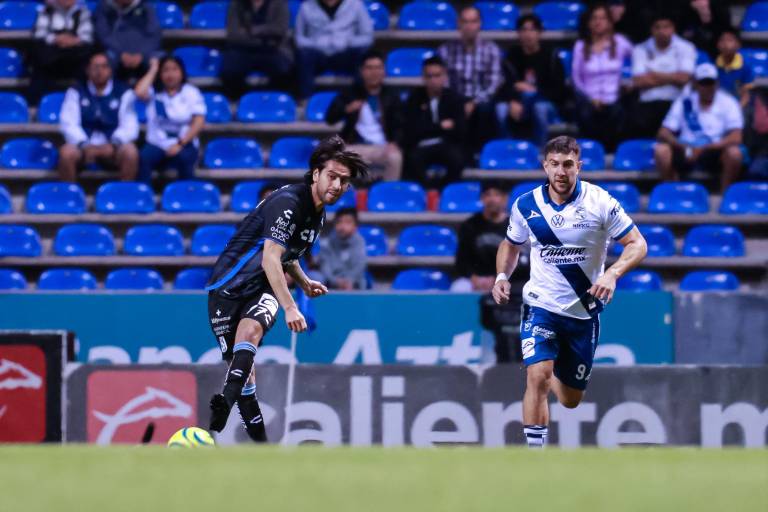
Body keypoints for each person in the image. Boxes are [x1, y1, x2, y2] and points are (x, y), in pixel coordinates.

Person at [205, 135, 368, 440]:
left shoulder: (317, 213)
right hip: (225, 287)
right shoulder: (290, 203)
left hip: (262, 286)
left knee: (251, 333)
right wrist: (291, 307)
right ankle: (255, 438)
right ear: (316, 174)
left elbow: (286, 257)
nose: (337, 185)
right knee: (245, 377)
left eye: (344, 181)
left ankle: (224, 409)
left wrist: (304, 283)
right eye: (332, 176)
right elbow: (271, 258)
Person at [492, 136, 647, 448]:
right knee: (537, 376)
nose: (561, 172)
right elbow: (510, 244)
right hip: (541, 306)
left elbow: (638, 244)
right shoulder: (526, 205)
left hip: (582, 312)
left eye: (568, 165)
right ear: (545, 166)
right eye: (554, 165)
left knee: (571, 399)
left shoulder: (600, 202)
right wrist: (501, 276)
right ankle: (536, 458)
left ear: (579, 166)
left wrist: (613, 273)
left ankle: (557, 372)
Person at [654, 63, 744, 193]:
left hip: (714, 149)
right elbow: (663, 132)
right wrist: (681, 145)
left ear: (717, 83)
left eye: (710, 82)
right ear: (696, 84)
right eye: (703, 83)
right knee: (661, 150)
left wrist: (703, 148)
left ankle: (725, 195)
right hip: (685, 148)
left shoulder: (728, 102)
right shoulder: (684, 102)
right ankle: (672, 192)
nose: (707, 87)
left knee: (734, 153)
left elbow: (736, 137)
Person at [58, 51, 139, 182]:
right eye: (95, 67)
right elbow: (68, 123)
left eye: (104, 66)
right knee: (66, 153)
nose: (99, 71)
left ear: (110, 70)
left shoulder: (124, 92)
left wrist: (113, 144)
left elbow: (130, 125)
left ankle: (124, 198)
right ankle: (71, 198)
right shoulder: (76, 91)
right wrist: (84, 145)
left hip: (113, 147)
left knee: (131, 152)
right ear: (88, 70)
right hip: (83, 146)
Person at [325, 50, 403, 181]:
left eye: (378, 68)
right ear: (362, 71)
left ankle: (388, 194)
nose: (374, 72)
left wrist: (395, 142)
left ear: (384, 71)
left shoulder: (392, 96)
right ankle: (340, 197)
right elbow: (330, 118)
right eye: (369, 68)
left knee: (395, 157)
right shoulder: (351, 93)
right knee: (333, 156)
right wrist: (346, 109)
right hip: (355, 146)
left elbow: (401, 124)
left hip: (382, 147)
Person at [438, 5, 502, 159]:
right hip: (455, 99)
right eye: (465, 22)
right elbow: (444, 83)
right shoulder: (445, 50)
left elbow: (493, 84)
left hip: (481, 100)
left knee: (485, 109)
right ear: (458, 24)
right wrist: (458, 103)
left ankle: (480, 154)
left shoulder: (491, 49)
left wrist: (474, 102)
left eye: (473, 21)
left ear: (480, 24)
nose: (469, 26)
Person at [496, 14, 566, 147]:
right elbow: (503, 85)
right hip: (518, 101)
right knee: (501, 109)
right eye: (524, 30)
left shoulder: (551, 56)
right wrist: (513, 100)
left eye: (532, 30)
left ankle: (540, 152)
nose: (528, 34)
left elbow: (559, 91)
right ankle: (507, 149)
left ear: (540, 33)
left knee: (540, 108)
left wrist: (535, 91)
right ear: (518, 33)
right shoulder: (511, 56)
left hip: (545, 102)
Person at [134, 56, 206, 184]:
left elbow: (199, 121)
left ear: (182, 72)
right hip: (157, 143)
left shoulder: (191, 92)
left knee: (185, 159)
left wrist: (180, 144)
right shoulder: (153, 92)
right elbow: (139, 92)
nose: (170, 74)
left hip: (184, 143)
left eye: (174, 69)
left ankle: (186, 198)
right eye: (165, 70)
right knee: (143, 158)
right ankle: (145, 198)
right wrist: (153, 69)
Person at [572, 3, 633, 150]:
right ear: (588, 23)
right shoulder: (580, 46)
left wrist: (628, 83)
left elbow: (637, 63)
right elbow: (576, 78)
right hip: (589, 99)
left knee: (619, 111)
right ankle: (592, 152)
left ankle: (613, 152)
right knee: (585, 111)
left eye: (603, 18)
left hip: (615, 98)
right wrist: (591, 98)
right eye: (594, 18)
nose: (598, 22)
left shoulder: (621, 43)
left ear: (610, 22)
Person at [402, 56, 466, 189]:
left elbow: (460, 129)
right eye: (429, 76)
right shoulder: (414, 99)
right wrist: (441, 126)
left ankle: (444, 192)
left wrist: (428, 128)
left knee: (458, 159)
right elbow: (412, 130)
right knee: (412, 160)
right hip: (421, 146)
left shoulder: (454, 98)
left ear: (445, 77)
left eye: (437, 75)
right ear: (423, 78)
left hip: (447, 144)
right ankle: (428, 193)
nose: (433, 80)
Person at [630, 11, 697, 138]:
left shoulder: (686, 47)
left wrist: (653, 74)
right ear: (652, 30)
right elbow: (639, 81)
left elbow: (684, 78)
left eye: (666, 26)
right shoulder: (640, 49)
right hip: (648, 104)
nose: (662, 31)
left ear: (673, 28)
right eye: (657, 27)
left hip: (677, 102)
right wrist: (672, 77)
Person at [294, 0, 373, 100]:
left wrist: (348, 42)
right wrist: (315, 44)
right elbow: (298, 38)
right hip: (318, 54)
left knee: (362, 54)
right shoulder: (306, 7)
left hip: (345, 53)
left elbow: (367, 37)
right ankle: (306, 99)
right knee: (303, 55)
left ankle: (360, 98)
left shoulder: (355, 4)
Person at [220, 0, 293, 98]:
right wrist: (265, 37)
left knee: (284, 70)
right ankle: (239, 100)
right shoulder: (236, 4)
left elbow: (279, 30)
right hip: (243, 49)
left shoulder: (279, 3)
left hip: (272, 50)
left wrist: (252, 31)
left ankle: (275, 100)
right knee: (229, 70)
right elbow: (233, 35)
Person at [30, 0, 94, 103]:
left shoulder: (83, 12)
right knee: (39, 58)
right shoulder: (47, 11)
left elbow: (87, 37)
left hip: (74, 58)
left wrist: (72, 41)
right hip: (51, 58)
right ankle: (36, 104)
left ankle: (86, 101)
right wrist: (56, 38)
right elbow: (39, 34)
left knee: (88, 58)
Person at [452, 181, 509, 293]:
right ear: (482, 199)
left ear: (505, 199)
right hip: (474, 279)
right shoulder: (469, 225)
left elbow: (518, 262)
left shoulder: (515, 226)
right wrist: (473, 278)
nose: (492, 199)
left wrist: (496, 278)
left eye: (497, 195)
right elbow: (461, 260)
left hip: (505, 279)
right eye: (488, 195)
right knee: (458, 288)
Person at [93, 0, 161, 80]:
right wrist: (121, 53)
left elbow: (154, 36)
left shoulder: (146, 7)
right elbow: (103, 35)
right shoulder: (104, 8)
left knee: (159, 59)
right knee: (104, 60)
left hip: (142, 54)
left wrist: (141, 55)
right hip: (115, 53)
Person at [317, 207, 367, 290]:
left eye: (348, 222)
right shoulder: (327, 243)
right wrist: (336, 281)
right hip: (331, 281)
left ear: (355, 226)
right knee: (317, 277)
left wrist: (350, 280)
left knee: (363, 280)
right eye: (339, 222)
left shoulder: (359, 242)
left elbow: (359, 266)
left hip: (352, 281)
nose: (342, 226)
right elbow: (325, 267)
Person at [714, 28, 755, 107]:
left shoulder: (745, 68)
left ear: (738, 45)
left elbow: (746, 97)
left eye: (729, 40)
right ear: (717, 45)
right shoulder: (713, 66)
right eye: (722, 40)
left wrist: (734, 112)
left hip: (738, 109)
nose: (725, 44)